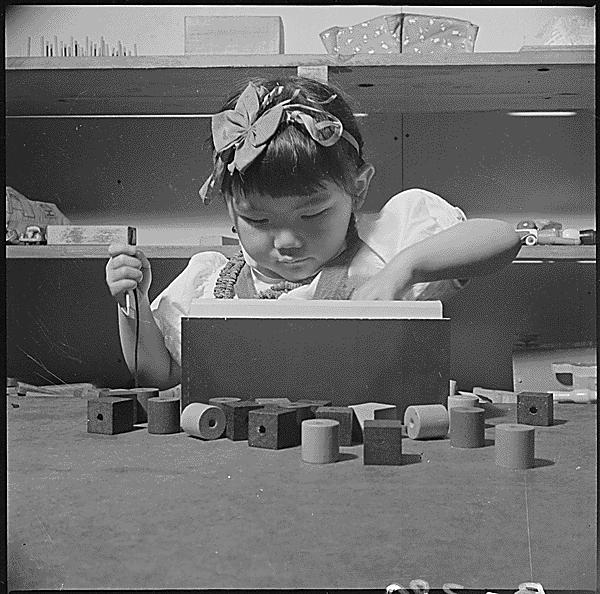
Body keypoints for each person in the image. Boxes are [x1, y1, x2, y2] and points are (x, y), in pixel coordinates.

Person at [105, 75, 521, 390]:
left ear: (357, 189)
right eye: (258, 221)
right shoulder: (212, 282)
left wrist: (402, 270)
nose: (285, 242)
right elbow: (156, 374)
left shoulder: (382, 253)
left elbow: (503, 239)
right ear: (231, 206)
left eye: (313, 214)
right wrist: (134, 303)